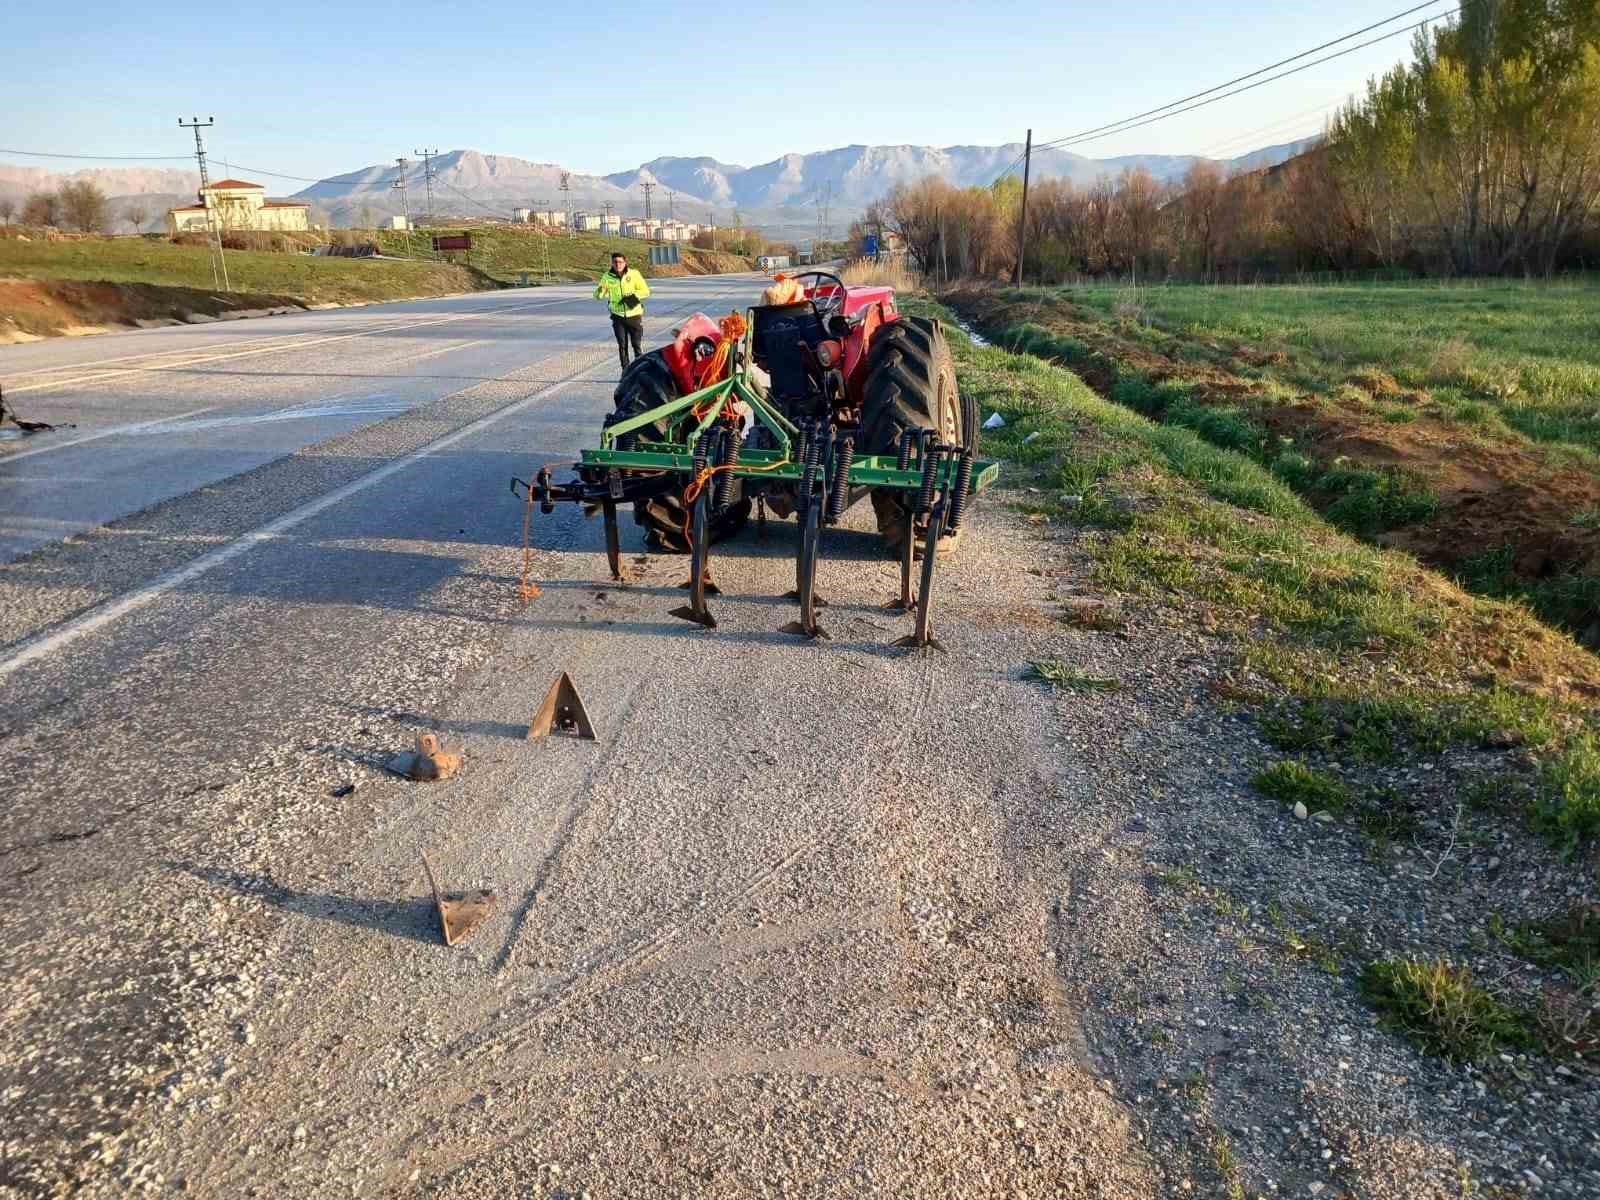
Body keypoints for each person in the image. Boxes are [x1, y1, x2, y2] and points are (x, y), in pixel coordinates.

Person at [594, 252, 651, 370]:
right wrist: (600, 290)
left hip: (634, 315)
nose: (618, 264)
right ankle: (625, 371)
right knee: (622, 345)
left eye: (620, 262)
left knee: (636, 345)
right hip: (617, 316)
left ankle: (640, 370)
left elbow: (646, 291)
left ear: (625, 263)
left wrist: (631, 298)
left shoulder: (634, 274)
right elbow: (598, 296)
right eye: (615, 262)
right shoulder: (607, 277)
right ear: (612, 263)